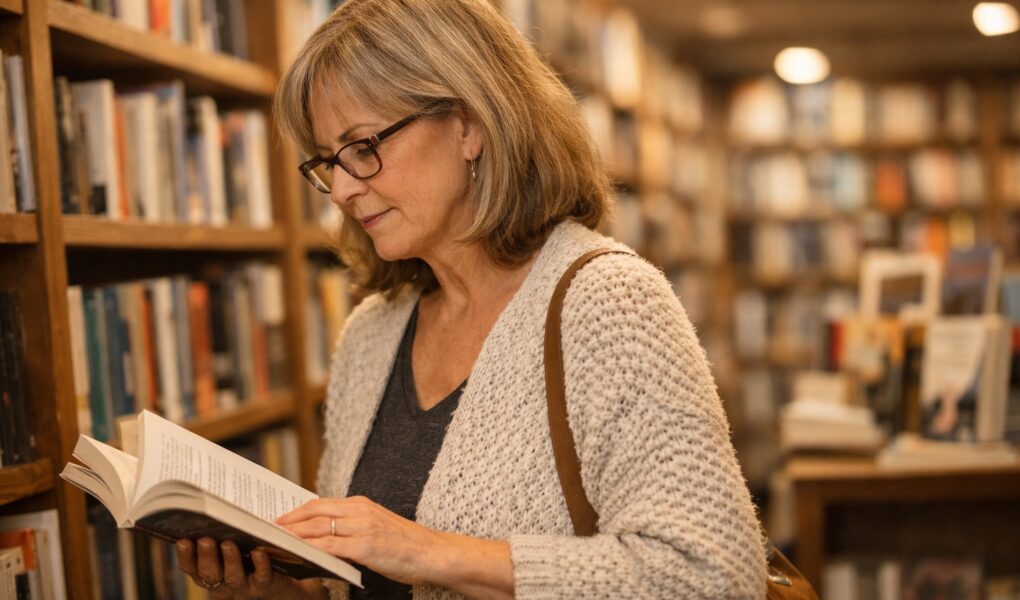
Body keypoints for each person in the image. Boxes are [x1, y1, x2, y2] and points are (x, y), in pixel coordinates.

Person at [175, 0, 767, 597]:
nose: (344, 191)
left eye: (363, 147)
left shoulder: (609, 303)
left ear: (469, 126)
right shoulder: (372, 334)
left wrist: (426, 551)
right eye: (330, 162)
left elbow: (710, 575)